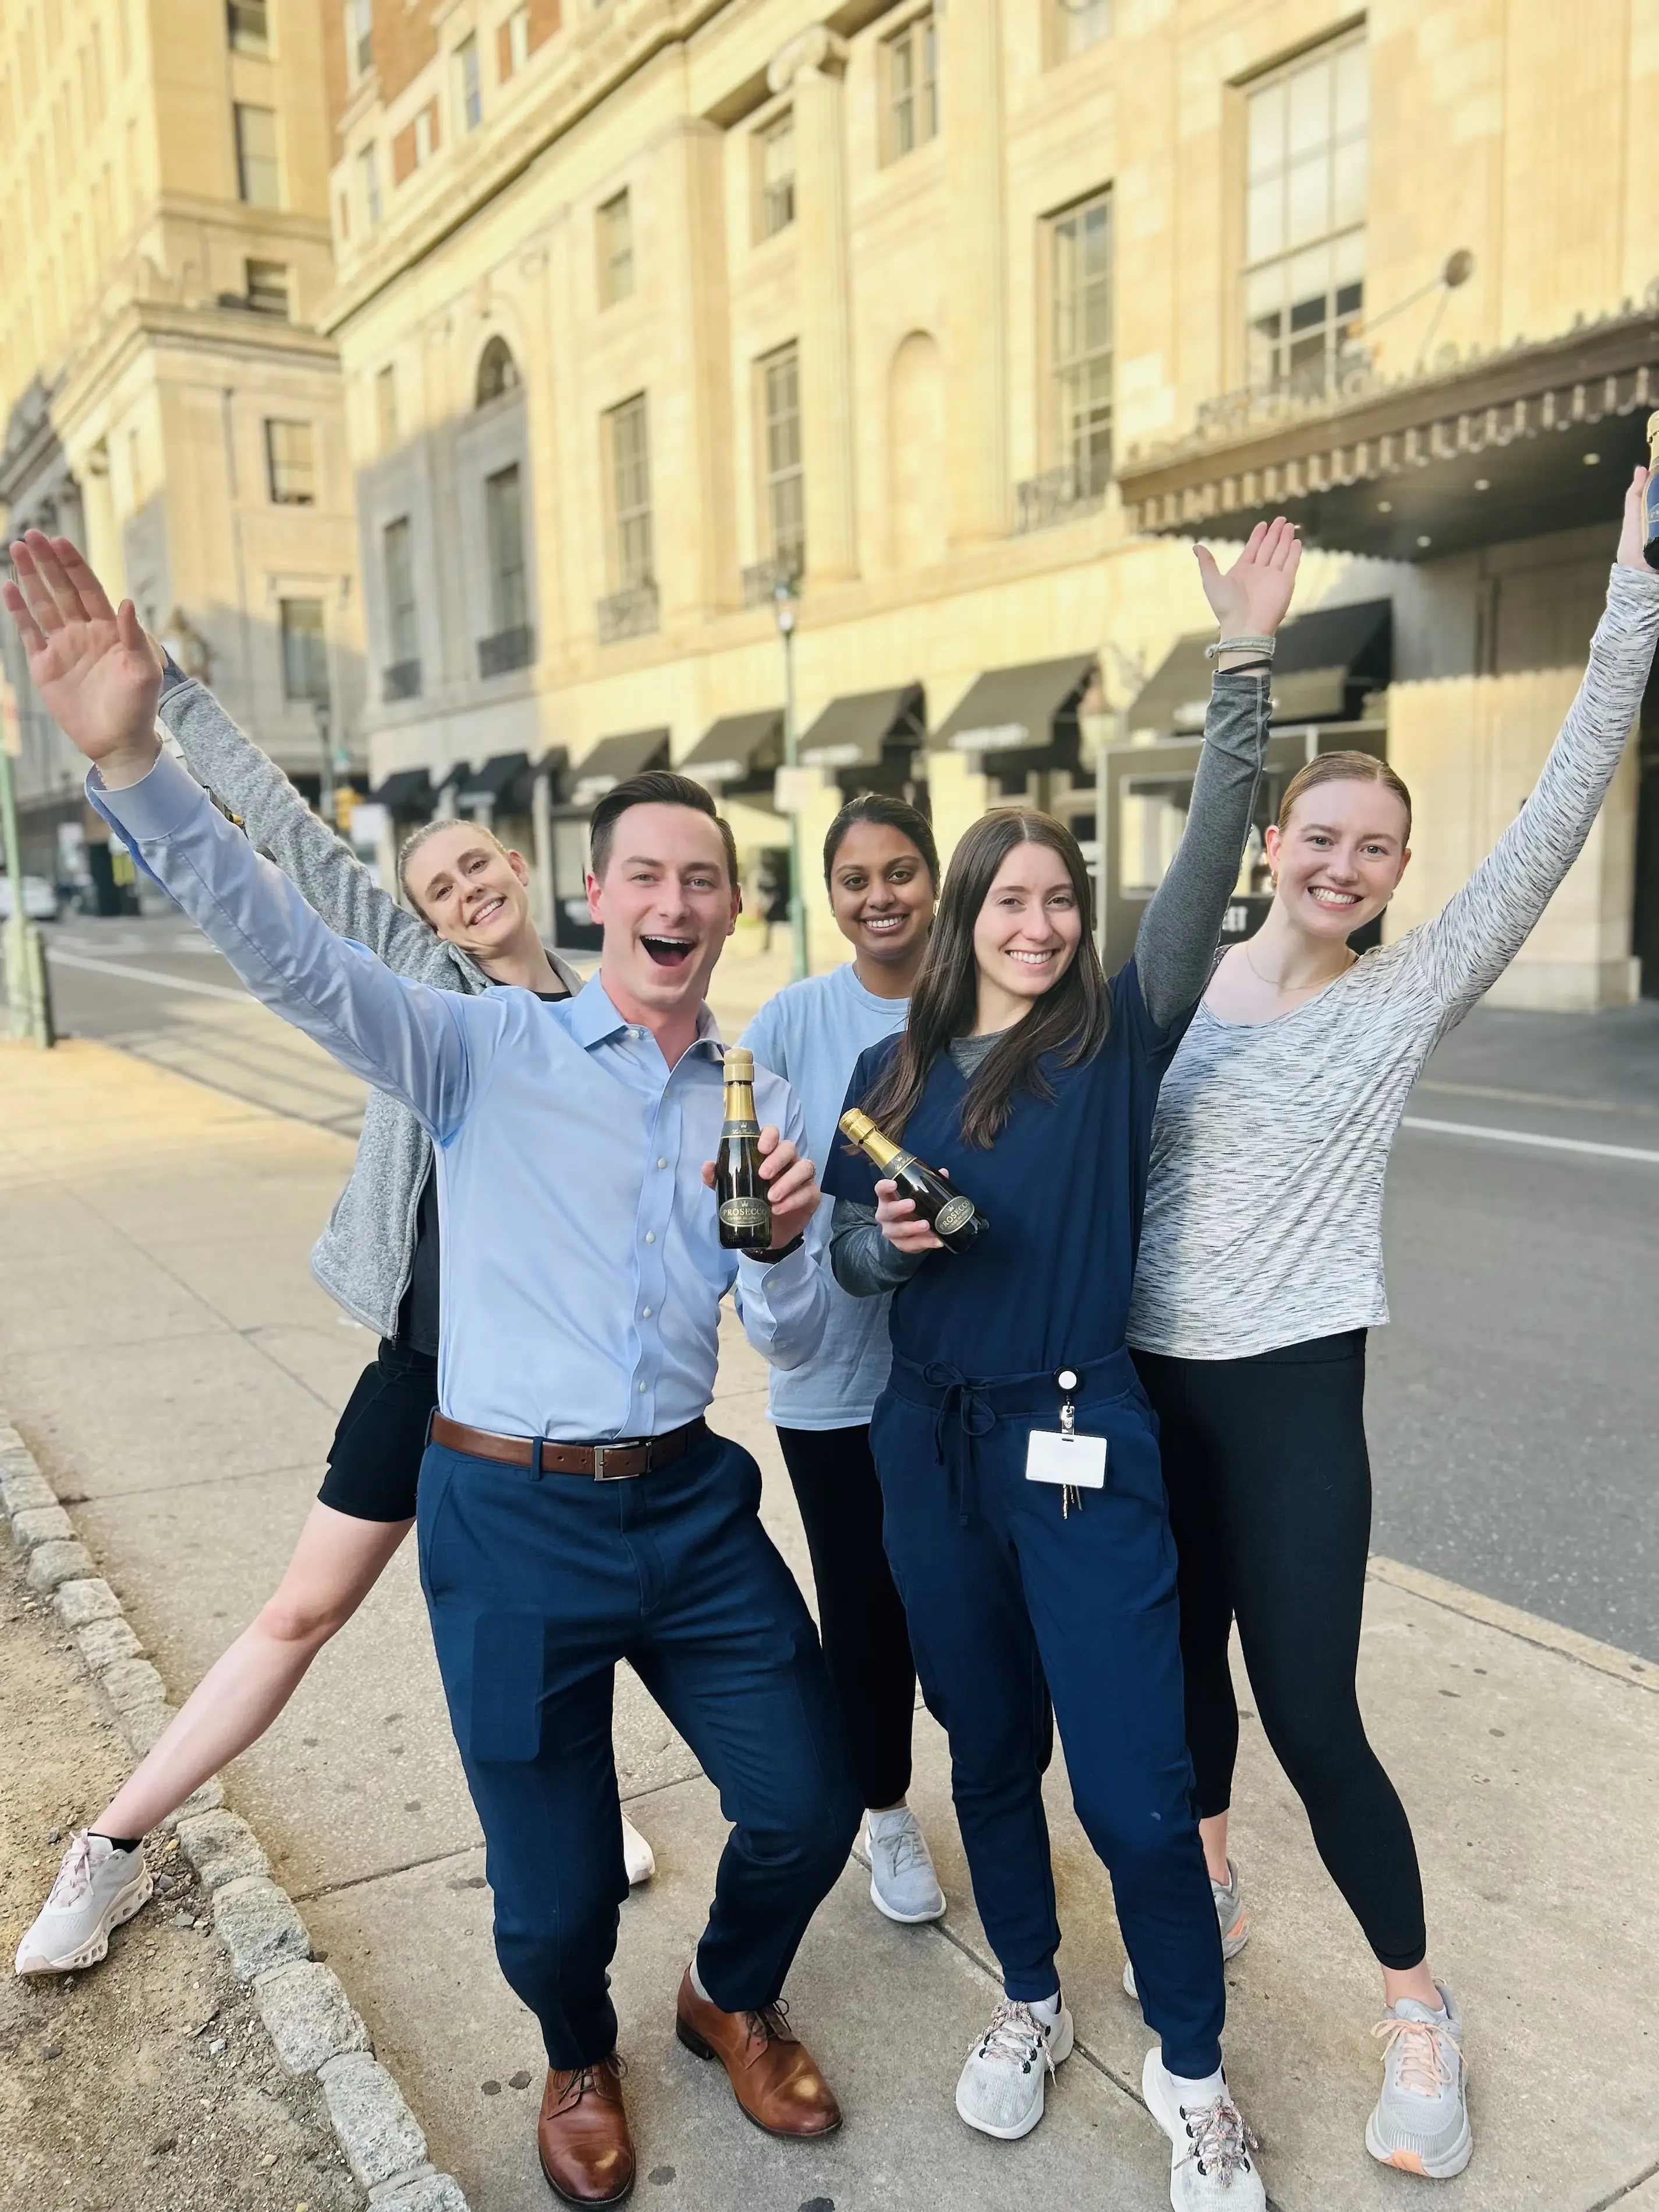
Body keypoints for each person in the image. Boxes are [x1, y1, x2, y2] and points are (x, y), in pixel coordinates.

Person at [5, 548, 862, 2207]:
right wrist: (134, 760)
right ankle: (576, 2051)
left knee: (810, 1801)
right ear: (598, 894)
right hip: (505, 1513)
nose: (675, 906)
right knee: (551, 1905)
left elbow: (810, 1349)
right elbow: (294, 948)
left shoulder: (747, 1107)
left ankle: (726, 1996)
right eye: (648, 878)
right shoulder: (479, 1046)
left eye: (707, 881)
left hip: (688, 1501)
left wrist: (785, 1260)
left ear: (732, 909)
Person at [7, 533, 654, 1993]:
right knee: (301, 1611)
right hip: (429, 1374)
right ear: (418, 920)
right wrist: (169, 698)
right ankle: (111, 1842)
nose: (463, 888)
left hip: (554, 1385)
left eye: (479, 862)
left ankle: (578, 1820)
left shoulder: (617, 1018)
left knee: (571, 1626)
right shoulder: (425, 996)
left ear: (528, 869)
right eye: (434, 886)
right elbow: (294, 845)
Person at [1124, 467, 1659, 2183]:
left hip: (1287, 1389)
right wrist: (1242, 655)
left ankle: (1412, 2001)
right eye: (1320, 837)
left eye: (1377, 848)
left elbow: (1563, 808)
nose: (1343, 865)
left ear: (1398, 870)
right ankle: (1204, 1885)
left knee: (1311, 1711)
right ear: (1274, 842)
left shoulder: (1406, 993)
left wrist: (1629, 600)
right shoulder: (1177, 976)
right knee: (1180, 1698)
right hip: (1143, 1387)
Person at [827, 520, 1303, 2210]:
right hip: (927, 1445)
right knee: (984, 1747)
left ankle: (1189, 2071)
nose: (1036, 922)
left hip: (1077, 1437)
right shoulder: (889, 1072)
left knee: (1135, 1779)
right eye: (1007, 900)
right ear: (964, 916)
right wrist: (890, 1244)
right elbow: (838, 1248)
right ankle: (1029, 2001)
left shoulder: (1114, 1036)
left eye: (1059, 900)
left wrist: (1242, 661)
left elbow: (1208, 859)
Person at [740, 793, 947, 1925]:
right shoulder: (789, 1021)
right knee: (864, 1605)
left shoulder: (981, 1000)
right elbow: (741, 1191)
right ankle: (886, 1810)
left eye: (900, 870)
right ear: (833, 895)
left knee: (961, 1606)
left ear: (933, 879)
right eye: (858, 877)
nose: (881, 895)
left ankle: (991, 1791)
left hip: (959, 1372)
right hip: (830, 1377)